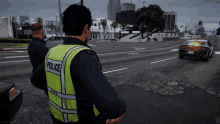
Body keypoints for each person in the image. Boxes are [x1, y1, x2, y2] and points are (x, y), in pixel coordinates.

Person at [30, 4, 126, 124]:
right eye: (90, 28)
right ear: (86, 28)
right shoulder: (83, 56)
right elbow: (113, 107)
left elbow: (35, 80)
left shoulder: (53, 52)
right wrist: (121, 105)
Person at [28, 23, 49, 96]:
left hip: (38, 76)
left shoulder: (31, 44)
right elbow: (47, 65)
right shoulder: (41, 47)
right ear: (41, 31)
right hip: (45, 79)